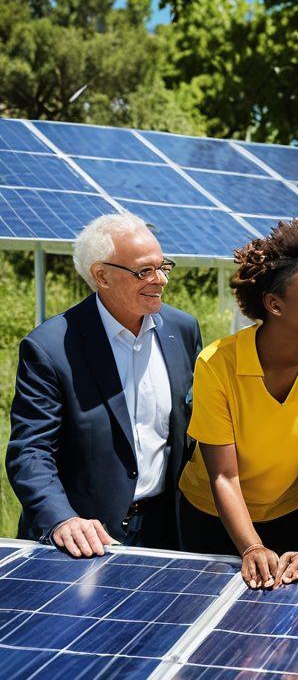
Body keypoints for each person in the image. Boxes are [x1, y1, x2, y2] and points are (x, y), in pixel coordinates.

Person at [178, 220, 298, 590]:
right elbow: (223, 476)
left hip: (291, 513)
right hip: (210, 517)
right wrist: (250, 547)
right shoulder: (217, 363)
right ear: (275, 304)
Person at [6, 213, 200, 556]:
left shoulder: (182, 330)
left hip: (165, 532)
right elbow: (31, 452)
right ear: (102, 276)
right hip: (81, 541)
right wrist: (63, 520)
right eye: (145, 271)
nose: (161, 280)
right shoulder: (50, 348)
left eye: (163, 266)